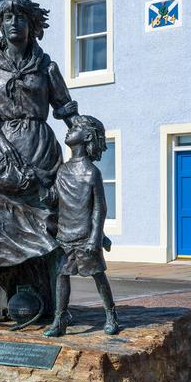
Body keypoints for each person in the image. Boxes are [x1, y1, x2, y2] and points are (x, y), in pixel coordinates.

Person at [0, 0, 79, 325]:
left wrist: (83, 135)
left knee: (52, 229)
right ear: (0, 25)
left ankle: (57, 306)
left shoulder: (46, 66)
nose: (14, 23)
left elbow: (65, 108)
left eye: (20, 18)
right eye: (7, 18)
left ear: (31, 25)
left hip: (40, 152)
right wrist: (4, 145)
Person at [43, 115, 119, 337]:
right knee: (61, 276)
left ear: (86, 137)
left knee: (98, 275)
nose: (68, 130)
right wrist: (37, 185)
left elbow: (100, 208)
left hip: (85, 236)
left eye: (74, 128)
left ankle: (111, 314)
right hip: (64, 235)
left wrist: (96, 238)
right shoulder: (63, 170)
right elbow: (54, 199)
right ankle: (60, 318)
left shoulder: (91, 172)